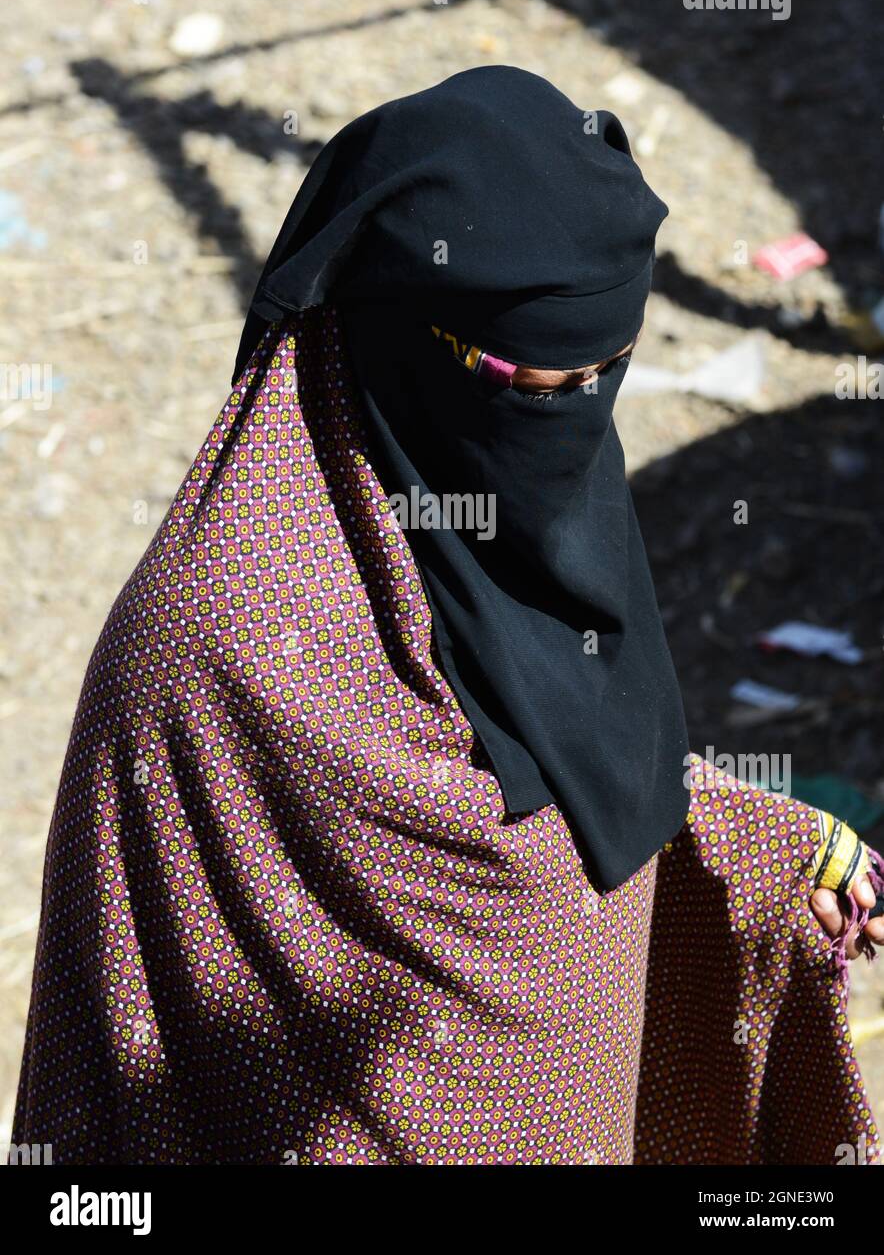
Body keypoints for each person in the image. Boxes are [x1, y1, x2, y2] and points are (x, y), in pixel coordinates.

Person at [13, 66, 883, 1165]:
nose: (570, 418)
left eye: (605, 377)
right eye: (531, 383)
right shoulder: (210, 643)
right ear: (396, 332)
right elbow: (135, 1064)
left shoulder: (539, 511)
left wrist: (757, 841)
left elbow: (576, 762)